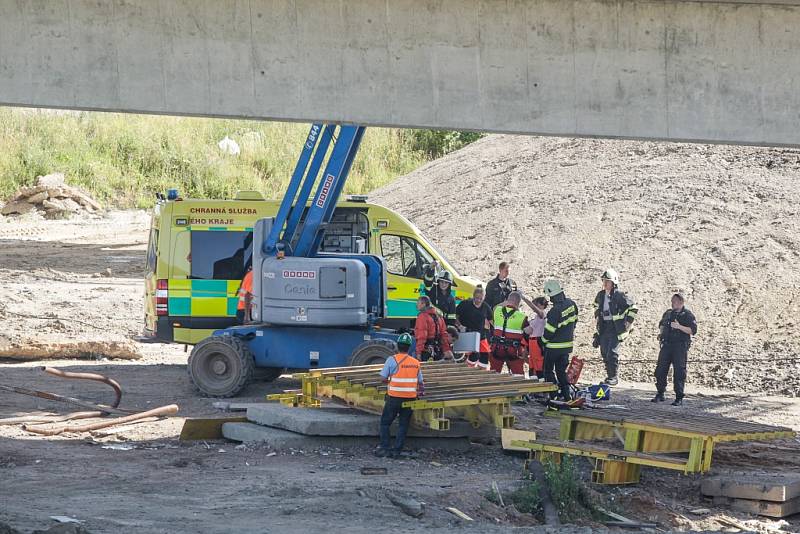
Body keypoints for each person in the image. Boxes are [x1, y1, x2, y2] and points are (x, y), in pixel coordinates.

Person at [376, 333, 424, 458]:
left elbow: (382, 378)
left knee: (385, 423)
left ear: (397, 346)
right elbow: (420, 382)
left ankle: (385, 448)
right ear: (409, 347)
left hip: (394, 398)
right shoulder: (415, 362)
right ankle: (397, 450)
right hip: (410, 398)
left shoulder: (392, 360)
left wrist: (390, 380)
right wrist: (421, 393)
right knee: (403, 424)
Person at [592, 268, 637, 386]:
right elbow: (596, 305)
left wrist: (628, 322)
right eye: (604, 281)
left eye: (608, 281)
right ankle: (609, 375)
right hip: (604, 327)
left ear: (613, 283)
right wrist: (597, 315)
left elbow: (633, 308)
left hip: (615, 327)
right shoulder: (601, 295)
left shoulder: (619, 296)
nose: (605, 283)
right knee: (604, 351)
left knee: (612, 352)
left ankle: (613, 377)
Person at [653, 293, 697, 406]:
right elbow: (661, 325)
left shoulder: (687, 315)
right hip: (667, 345)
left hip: (680, 347)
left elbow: (692, 330)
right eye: (672, 301)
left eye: (675, 302)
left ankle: (679, 397)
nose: (673, 304)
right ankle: (660, 393)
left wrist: (679, 327)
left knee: (679, 372)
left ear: (681, 302)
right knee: (660, 369)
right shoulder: (668, 314)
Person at [541, 280, 578, 401]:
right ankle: (567, 396)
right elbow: (575, 322)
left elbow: (549, 332)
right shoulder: (572, 304)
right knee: (561, 372)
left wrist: (541, 342)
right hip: (567, 347)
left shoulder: (554, 311)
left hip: (553, 348)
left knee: (548, 371)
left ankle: (554, 396)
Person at [489, 291, 532, 375]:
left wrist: (505, 302)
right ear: (518, 303)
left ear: (507, 301)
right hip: (513, 351)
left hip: (497, 348)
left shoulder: (497, 311)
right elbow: (529, 331)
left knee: (494, 373)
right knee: (518, 374)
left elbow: (495, 307)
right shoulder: (521, 317)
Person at [455, 285, 493, 370]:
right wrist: (460, 326)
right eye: (476, 298)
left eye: (481, 298)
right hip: (468, 334)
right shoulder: (465, 304)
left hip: (481, 335)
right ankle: (468, 369)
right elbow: (456, 316)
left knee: (485, 356)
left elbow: (491, 320)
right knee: (474, 355)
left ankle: (482, 373)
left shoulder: (486, 307)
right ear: (473, 296)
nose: (478, 300)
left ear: (484, 298)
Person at [414, 295, 454, 362]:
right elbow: (443, 334)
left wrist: (418, 353)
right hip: (438, 350)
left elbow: (422, 336)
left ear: (423, 304)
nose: (416, 305)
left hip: (426, 351)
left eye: (418, 303)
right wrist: (447, 350)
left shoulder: (422, 317)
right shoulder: (439, 316)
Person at [521, 295, 548, 379]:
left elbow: (536, 310)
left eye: (536, 304)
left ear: (542, 305)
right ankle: (534, 382)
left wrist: (524, 298)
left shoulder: (542, 315)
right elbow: (529, 330)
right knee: (532, 364)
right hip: (532, 342)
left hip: (537, 341)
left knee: (539, 364)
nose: (534, 307)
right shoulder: (536, 318)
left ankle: (541, 383)